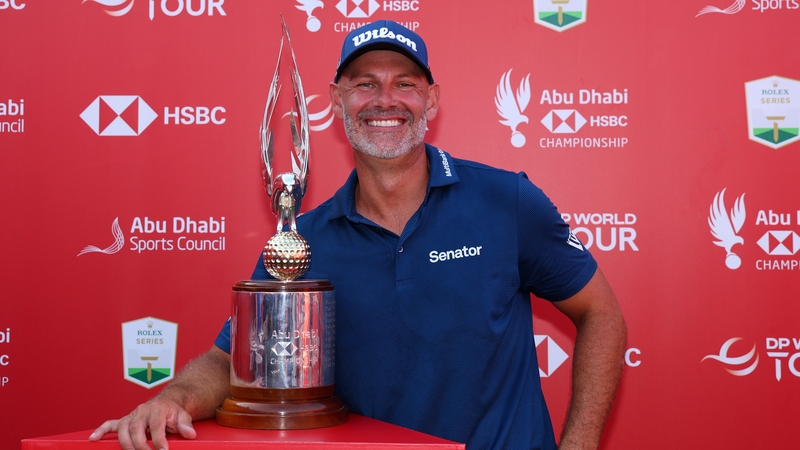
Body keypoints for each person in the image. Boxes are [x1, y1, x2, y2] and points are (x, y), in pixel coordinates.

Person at [91, 20, 626, 450]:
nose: (384, 100)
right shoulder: (302, 244)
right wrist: (174, 396)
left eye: (405, 83)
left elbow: (601, 313)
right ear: (336, 99)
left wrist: (577, 443)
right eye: (365, 83)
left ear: (432, 100)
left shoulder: (505, 201)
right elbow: (232, 360)